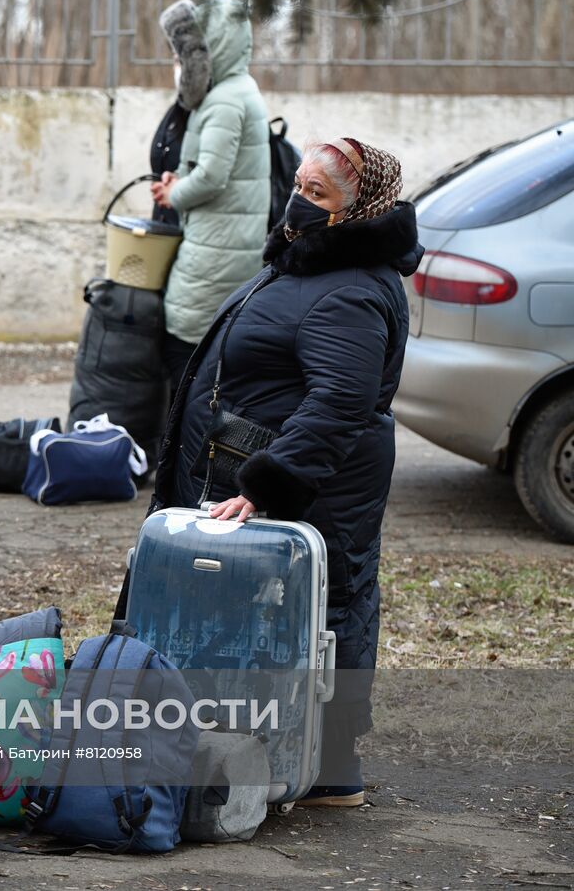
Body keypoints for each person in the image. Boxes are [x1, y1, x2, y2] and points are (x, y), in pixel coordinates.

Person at [145, 137, 420, 807]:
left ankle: (327, 770)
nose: (298, 198)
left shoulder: (351, 292)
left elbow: (340, 401)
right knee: (277, 618)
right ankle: (264, 749)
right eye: (299, 182)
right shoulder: (310, 263)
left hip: (315, 488)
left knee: (329, 615)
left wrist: (268, 484)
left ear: (357, 212)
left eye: (317, 193)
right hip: (267, 472)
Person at [149, 0, 269, 392]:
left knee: (183, 342)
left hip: (216, 252)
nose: (179, 63)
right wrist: (176, 182)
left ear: (211, 46)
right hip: (224, 242)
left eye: (182, 52)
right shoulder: (237, 90)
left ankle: (187, 443)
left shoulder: (225, 100)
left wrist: (173, 195)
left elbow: (213, 177)